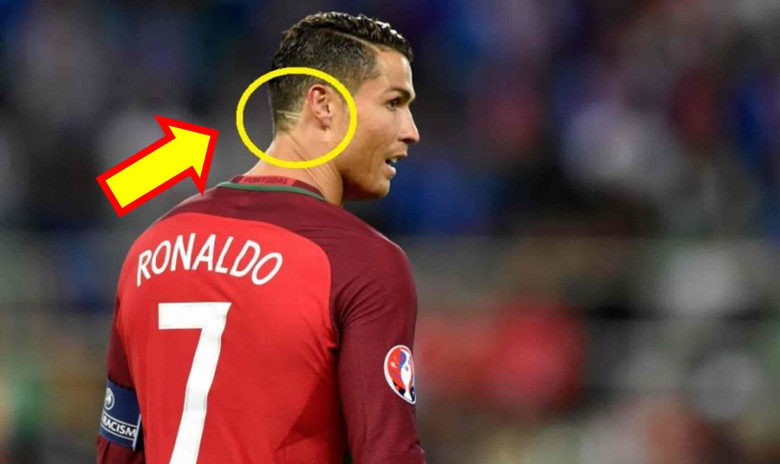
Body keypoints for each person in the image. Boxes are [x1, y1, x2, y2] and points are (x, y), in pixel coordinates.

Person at [96, 11, 424, 464]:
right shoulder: (362, 263)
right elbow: (387, 454)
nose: (411, 131)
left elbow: (117, 448)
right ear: (323, 105)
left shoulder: (150, 248)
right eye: (393, 103)